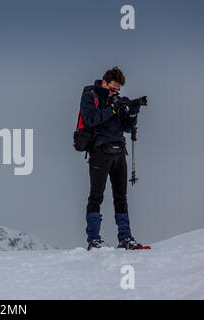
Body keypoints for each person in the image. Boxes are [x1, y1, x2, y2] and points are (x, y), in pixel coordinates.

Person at [79, 66, 145, 250]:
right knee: (96, 196)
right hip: (99, 152)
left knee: (121, 197)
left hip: (119, 152)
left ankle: (125, 237)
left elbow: (127, 128)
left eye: (118, 90)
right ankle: (93, 239)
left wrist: (132, 113)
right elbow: (91, 119)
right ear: (104, 82)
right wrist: (114, 109)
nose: (115, 92)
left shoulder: (116, 100)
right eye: (112, 89)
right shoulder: (90, 96)